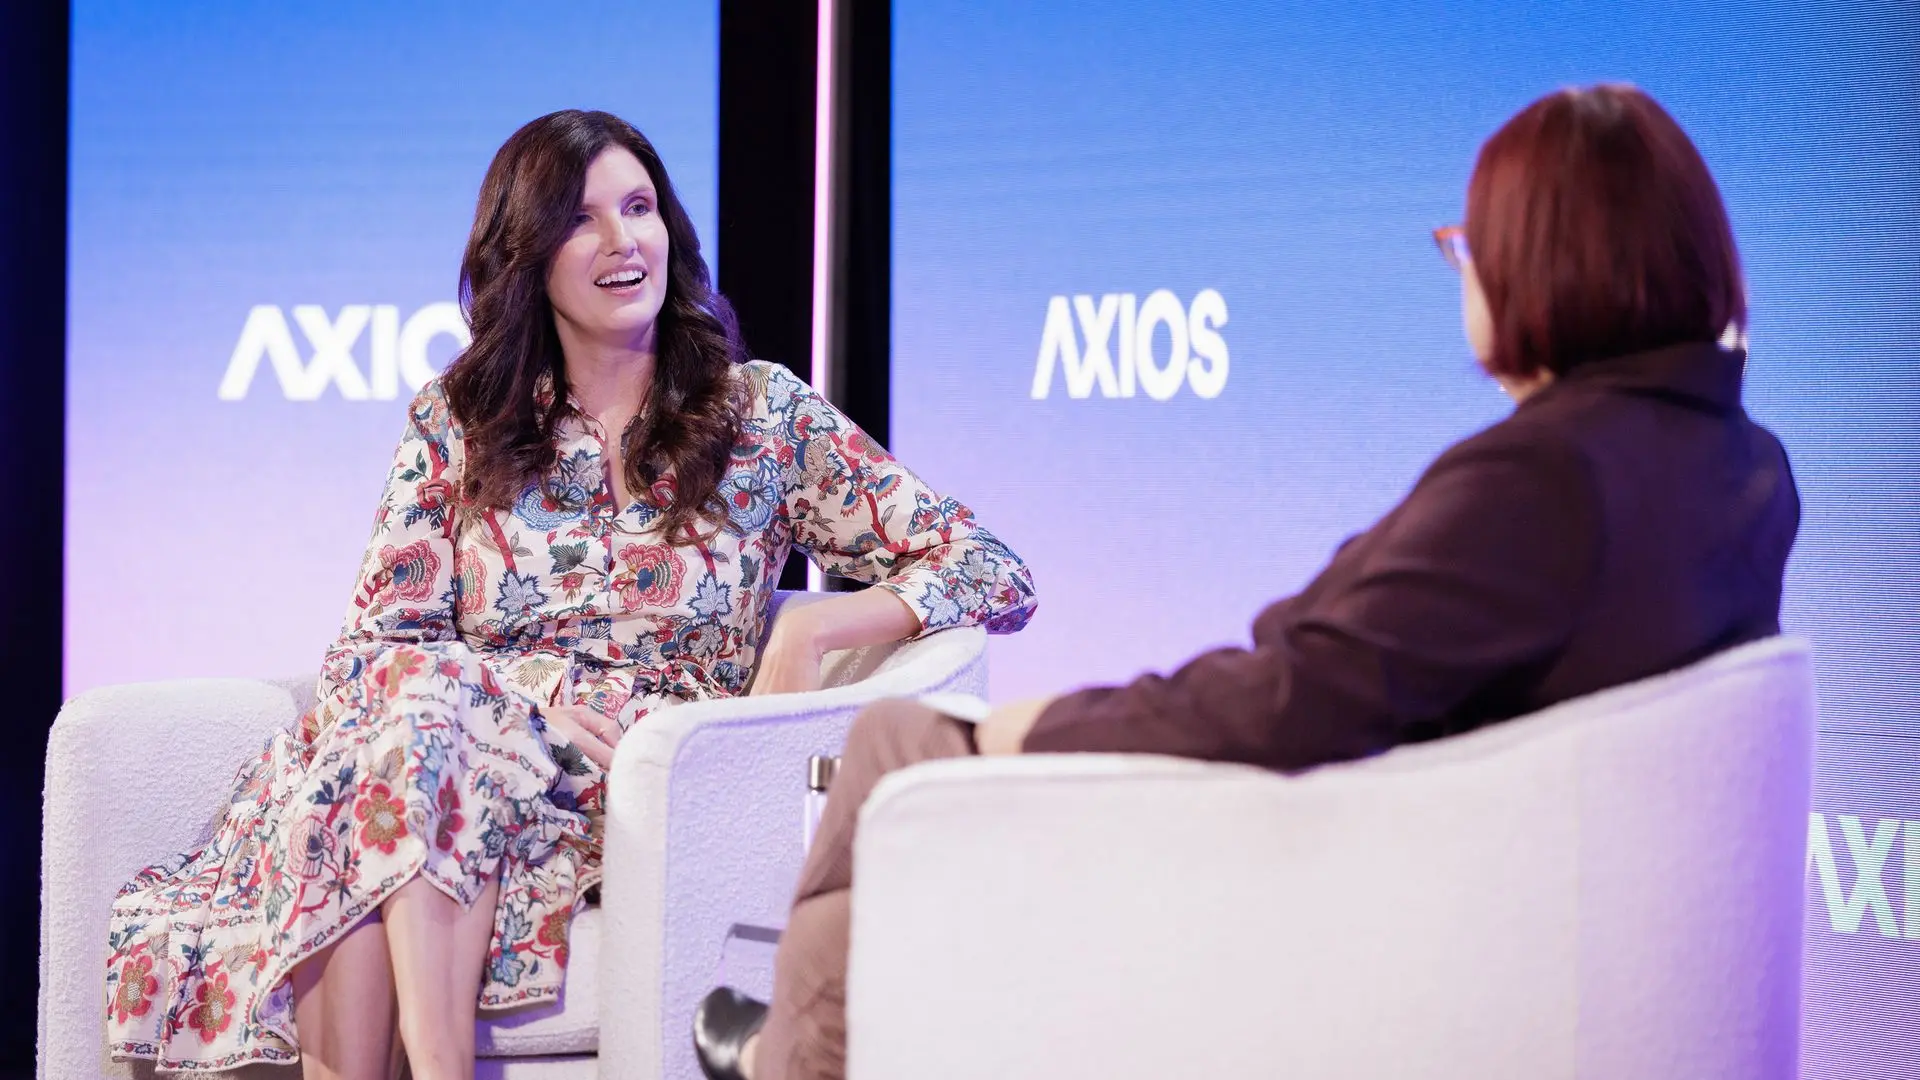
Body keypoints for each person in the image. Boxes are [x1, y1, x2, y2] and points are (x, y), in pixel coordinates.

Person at [691, 82, 1800, 1080]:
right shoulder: (1743, 467)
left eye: (1470, 247)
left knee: (898, 741)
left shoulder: (1547, 475)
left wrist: (1017, 734)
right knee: (863, 888)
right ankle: (799, 1039)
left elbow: (1294, 700)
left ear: (1539, 264)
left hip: (1355, 890)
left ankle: (789, 1050)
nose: (1466, 272)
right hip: (1473, 871)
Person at [103, 109, 1036, 1079]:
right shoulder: (460, 420)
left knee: (389, 789)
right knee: (417, 728)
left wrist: (812, 633)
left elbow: (989, 568)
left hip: (640, 778)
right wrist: (525, 698)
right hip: (458, 754)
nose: (624, 241)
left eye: (640, 207)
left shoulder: (761, 414)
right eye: (583, 219)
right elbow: (377, 645)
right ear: (529, 255)